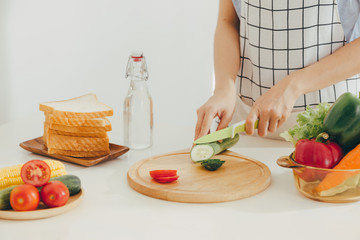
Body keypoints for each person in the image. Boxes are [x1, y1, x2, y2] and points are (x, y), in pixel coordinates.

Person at [194, 0, 360, 141]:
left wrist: (292, 86)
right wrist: (224, 86)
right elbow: (228, 20)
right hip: (246, 127)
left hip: (334, 129)